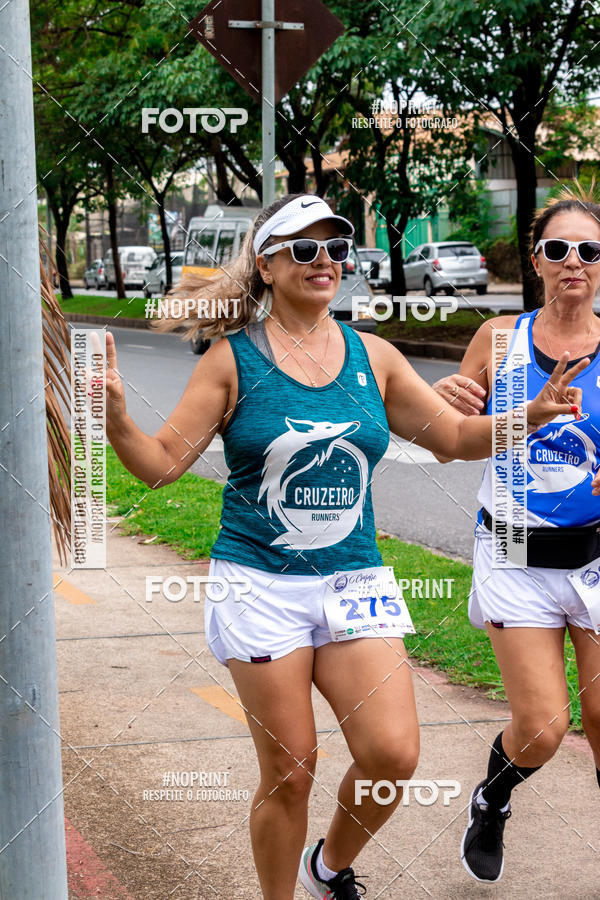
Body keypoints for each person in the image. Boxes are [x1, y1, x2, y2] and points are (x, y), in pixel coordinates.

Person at [102, 193, 585, 900]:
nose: (324, 261)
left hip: (352, 580)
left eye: (336, 247)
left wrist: (527, 417)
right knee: (291, 770)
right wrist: (116, 419)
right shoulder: (232, 361)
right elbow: (161, 463)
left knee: (392, 755)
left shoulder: (375, 356)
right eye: (304, 249)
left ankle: (326, 869)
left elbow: (450, 440)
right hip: (260, 584)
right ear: (267, 266)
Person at [432, 182, 600, 885]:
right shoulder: (499, 340)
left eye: (590, 250)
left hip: (595, 557)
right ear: (535, 260)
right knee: (541, 728)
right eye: (558, 248)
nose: (575, 262)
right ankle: (492, 798)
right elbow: (448, 444)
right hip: (515, 554)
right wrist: (442, 406)